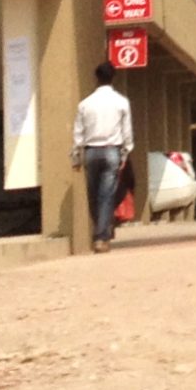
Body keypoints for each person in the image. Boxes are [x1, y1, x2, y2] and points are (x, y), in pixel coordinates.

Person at [70, 60, 134, 253]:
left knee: (93, 195)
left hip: (91, 152)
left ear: (96, 78)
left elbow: (78, 132)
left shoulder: (85, 104)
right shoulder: (121, 102)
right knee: (106, 195)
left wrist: (76, 156)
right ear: (113, 78)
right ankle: (102, 236)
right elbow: (127, 132)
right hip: (112, 150)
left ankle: (101, 230)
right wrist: (125, 153)